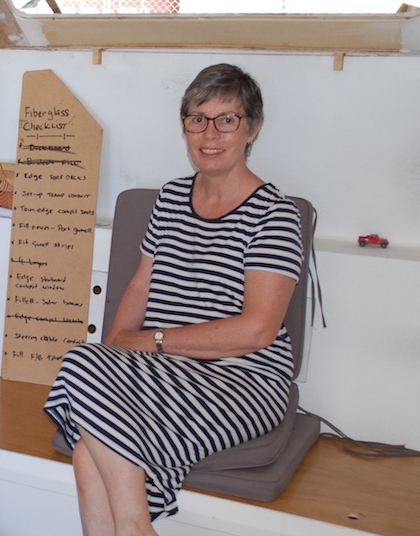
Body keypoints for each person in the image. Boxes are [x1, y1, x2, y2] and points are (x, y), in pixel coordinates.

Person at [44, 63, 303, 535]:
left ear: (252, 130)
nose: (210, 133)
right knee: (89, 424)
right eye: (197, 119)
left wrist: (152, 342)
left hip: (242, 382)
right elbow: (141, 285)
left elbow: (257, 330)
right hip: (163, 375)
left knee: (85, 398)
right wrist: (115, 353)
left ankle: (135, 526)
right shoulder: (169, 199)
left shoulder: (276, 215)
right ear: (184, 127)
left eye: (227, 120)